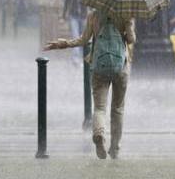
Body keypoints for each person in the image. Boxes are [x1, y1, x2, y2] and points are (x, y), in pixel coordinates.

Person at [45, 9, 135, 159]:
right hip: (120, 67)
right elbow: (131, 39)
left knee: (99, 108)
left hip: (99, 66)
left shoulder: (94, 15)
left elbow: (84, 40)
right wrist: (128, 25)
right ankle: (115, 148)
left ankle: (99, 133)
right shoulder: (125, 14)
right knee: (118, 109)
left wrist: (64, 44)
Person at [62, 0, 87, 67]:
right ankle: (76, 58)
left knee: (82, 37)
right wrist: (64, 14)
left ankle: (81, 57)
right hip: (73, 16)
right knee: (75, 36)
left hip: (83, 16)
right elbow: (66, 2)